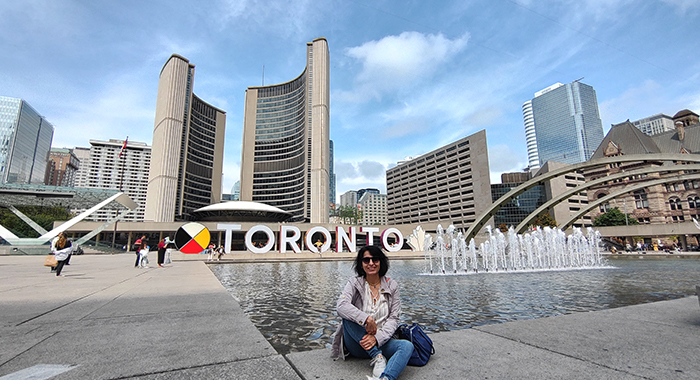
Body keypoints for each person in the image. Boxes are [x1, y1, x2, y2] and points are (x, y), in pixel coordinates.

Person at [331, 246, 413, 380]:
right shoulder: (355, 283)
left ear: (381, 262)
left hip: (382, 341)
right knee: (347, 316)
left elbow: (394, 318)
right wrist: (366, 319)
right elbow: (341, 306)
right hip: (357, 344)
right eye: (366, 260)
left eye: (375, 259)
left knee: (407, 346)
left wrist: (377, 338)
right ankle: (377, 356)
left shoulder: (392, 286)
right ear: (361, 263)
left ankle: (386, 378)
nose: (371, 263)